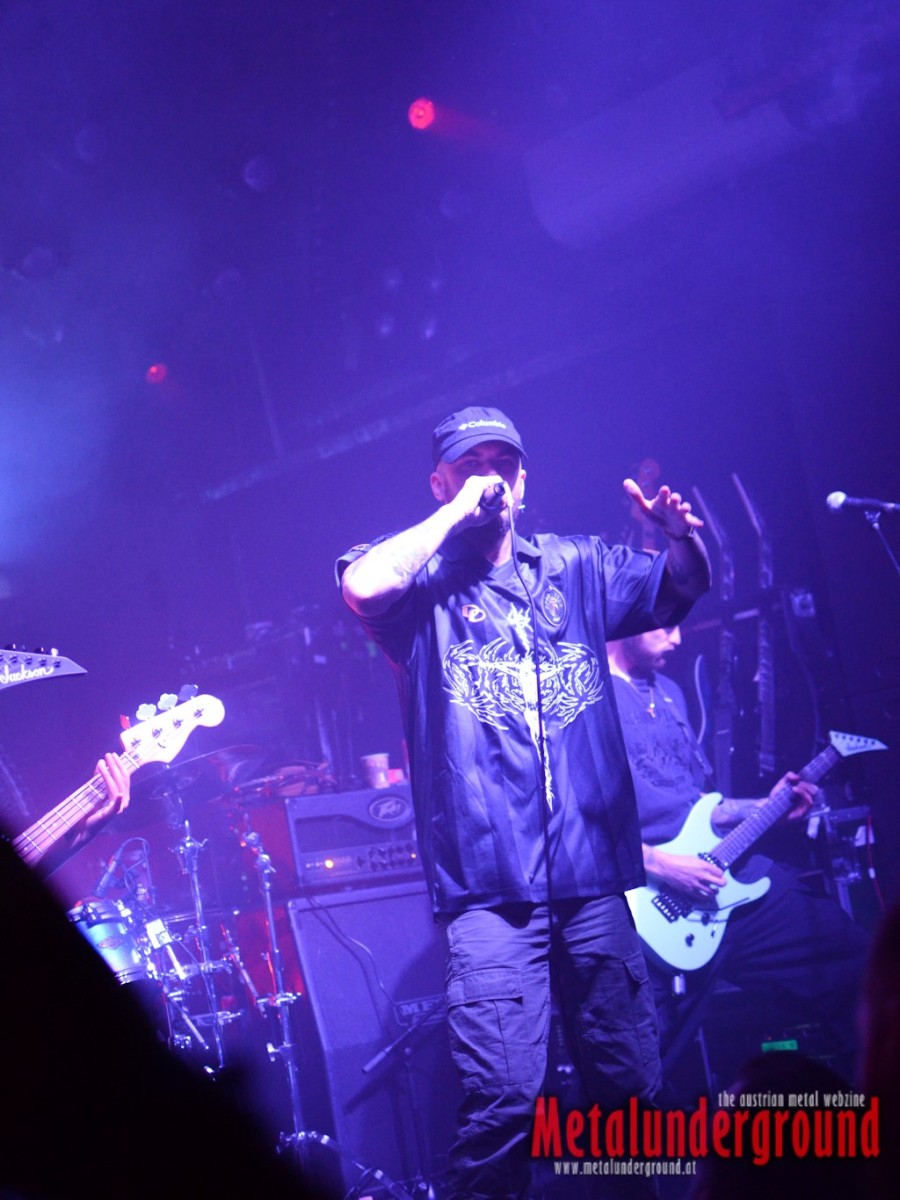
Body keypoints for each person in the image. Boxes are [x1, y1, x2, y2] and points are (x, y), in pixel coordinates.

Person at [337, 405, 711, 1199]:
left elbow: (682, 586)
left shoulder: (577, 566)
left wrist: (682, 538)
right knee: (506, 1103)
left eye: (503, 464)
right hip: (489, 892)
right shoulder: (422, 585)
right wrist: (455, 515)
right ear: (438, 482)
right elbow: (362, 585)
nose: (490, 478)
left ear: (525, 479)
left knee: (633, 1096)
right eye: (469, 466)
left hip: (592, 885)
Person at [606, 625, 871, 1101]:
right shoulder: (582, 699)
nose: (678, 638)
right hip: (649, 907)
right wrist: (661, 866)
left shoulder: (668, 692)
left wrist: (763, 806)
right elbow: (567, 823)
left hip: (727, 883)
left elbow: (700, 804)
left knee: (858, 968)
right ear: (628, 612)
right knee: (634, 1071)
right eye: (666, 623)